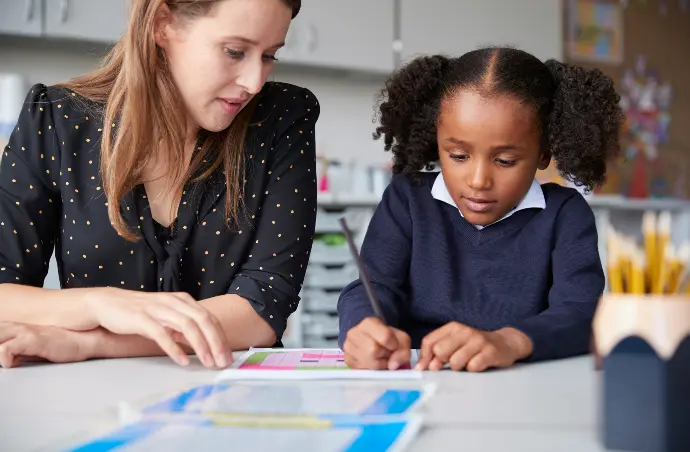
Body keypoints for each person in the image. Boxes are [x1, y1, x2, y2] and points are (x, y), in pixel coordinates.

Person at [0, 0, 319, 369]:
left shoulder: (283, 118)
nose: (253, 82)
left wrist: (90, 341)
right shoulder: (56, 118)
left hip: (233, 395)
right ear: (162, 24)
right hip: (89, 396)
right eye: (235, 52)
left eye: (269, 56)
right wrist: (100, 304)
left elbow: (262, 308)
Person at [338, 47, 623, 372]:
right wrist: (363, 327)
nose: (478, 181)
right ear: (437, 140)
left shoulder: (565, 214)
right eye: (459, 156)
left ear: (544, 154)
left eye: (505, 161)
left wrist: (508, 342)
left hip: (523, 389)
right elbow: (373, 287)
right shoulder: (407, 199)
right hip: (419, 382)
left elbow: (581, 312)